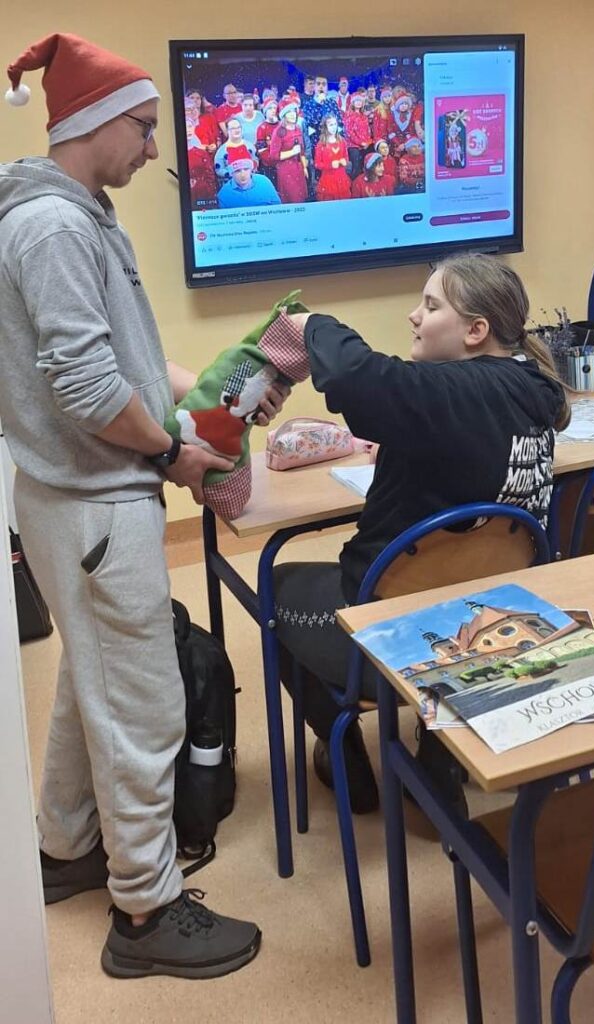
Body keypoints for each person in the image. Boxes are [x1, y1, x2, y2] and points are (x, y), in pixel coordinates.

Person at [0, 32, 289, 979]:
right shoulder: (54, 228)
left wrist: (213, 394)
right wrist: (172, 452)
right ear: (93, 123)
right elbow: (88, 387)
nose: (158, 148)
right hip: (95, 501)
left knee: (91, 681)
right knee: (142, 708)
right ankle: (144, 911)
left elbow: (125, 356)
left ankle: (65, 847)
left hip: (76, 497)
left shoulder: (82, 213)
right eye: (145, 128)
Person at [274, 255, 570, 813]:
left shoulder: (448, 392)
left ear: (475, 331)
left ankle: (343, 756)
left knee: (276, 584)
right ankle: (437, 754)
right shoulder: (534, 389)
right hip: (496, 626)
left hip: (400, 636)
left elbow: (356, 377)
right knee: (457, 577)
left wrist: (312, 324)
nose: (414, 316)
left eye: (431, 306)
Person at [269, 99, 308, 204]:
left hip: (298, 168)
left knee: (301, 198)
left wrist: (304, 167)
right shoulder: (279, 131)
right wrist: (292, 152)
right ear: (284, 115)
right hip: (286, 170)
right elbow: (273, 155)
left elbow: (301, 150)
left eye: (294, 111)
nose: (292, 114)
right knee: (292, 199)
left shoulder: (298, 128)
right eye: (289, 112)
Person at [217, 157, 281, 208]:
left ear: (251, 170)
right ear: (231, 173)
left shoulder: (264, 182)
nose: (243, 174)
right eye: (237, 171)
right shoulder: (224, 194)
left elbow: (278, 207)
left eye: (246, 169)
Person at [314, 114, 351, 202]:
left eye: (335, 124)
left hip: (341, 178)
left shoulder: (342, 141)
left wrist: (345, 161)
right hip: (328, 180)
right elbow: (317, 164)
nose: (334, 127)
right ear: (325, 127)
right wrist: (330, 165)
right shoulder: (321, 144)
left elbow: (346, 157)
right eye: (331, 125)